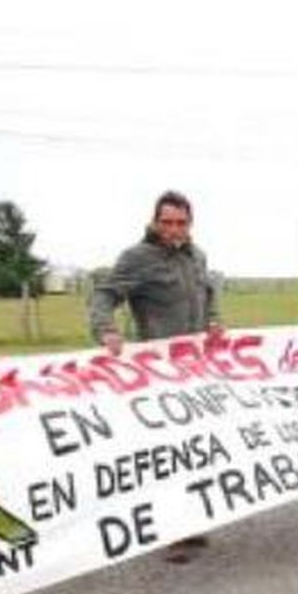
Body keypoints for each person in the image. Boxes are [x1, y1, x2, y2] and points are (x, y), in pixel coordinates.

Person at [89, 190, 222, 562]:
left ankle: (192, 522)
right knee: (166, 452)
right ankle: (171, 530)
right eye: (166, 222)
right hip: (157, 375)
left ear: (190, 223)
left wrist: (214, 319)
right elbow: (104, 295)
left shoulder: (197, 256)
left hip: (196, 372)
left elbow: (209, 290)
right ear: (154, 221)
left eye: (180, 222)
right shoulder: (137, 258)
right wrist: (106, 330)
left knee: (195, 448)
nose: (173, 229)